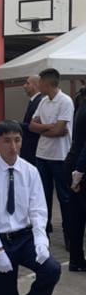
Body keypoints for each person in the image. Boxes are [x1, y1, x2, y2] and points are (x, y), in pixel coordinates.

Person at [0, 121, 61, 295]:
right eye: (7, 141)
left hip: (24, 238)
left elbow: (38, 209)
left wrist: (41, 240)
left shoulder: (30, 171)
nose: (13, 147)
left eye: (17, 140)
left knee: (51, 269)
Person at [30, 68, 75, 264]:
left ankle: (69, 234)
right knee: (43, 196)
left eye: (40, 82)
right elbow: (32, 125)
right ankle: (44, 233)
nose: (38, 85)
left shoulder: (65, 101)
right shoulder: (43, 101)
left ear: (47, 83)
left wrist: (44, 129)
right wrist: (49, 127)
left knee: (64, 197)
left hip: (60, 157)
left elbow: (60, 130)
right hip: (42, 155)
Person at [63, 92, 85, 271]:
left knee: (76, 217)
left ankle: (76, 260)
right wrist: (80, 171)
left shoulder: (82, 104)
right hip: (81, 167)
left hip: (73, 163)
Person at [19, 74, 43, 167]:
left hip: (33, 147)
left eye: (27, 83)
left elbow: (34, 125)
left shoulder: (40, 101)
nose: (24, 86)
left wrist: (18, 124)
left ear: (35, 85)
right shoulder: (34, 101)